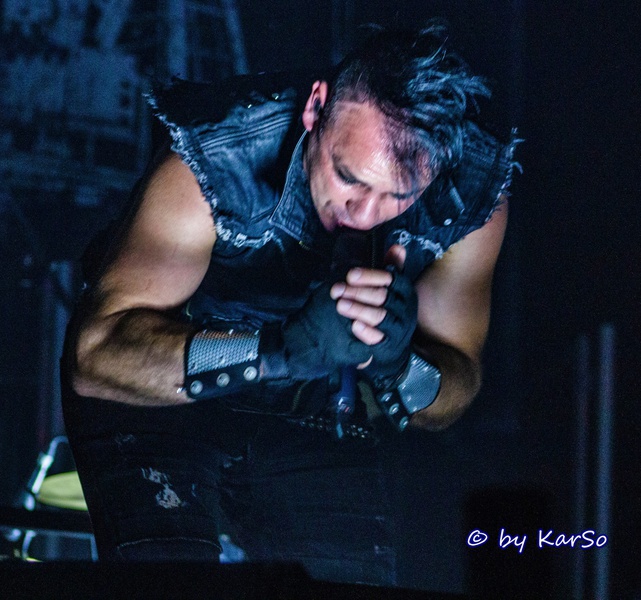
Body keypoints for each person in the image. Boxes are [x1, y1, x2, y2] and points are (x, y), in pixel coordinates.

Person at [60, 25, 518, 586]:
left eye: (398, 196)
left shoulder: (469, 196)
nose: (365, 214)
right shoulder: (221, 153)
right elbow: (96, 356)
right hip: (158, 400)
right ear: (316, 108)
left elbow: (455, 392)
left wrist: (401, 366)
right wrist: (279, 351)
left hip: (303, 412)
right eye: (348, 178)